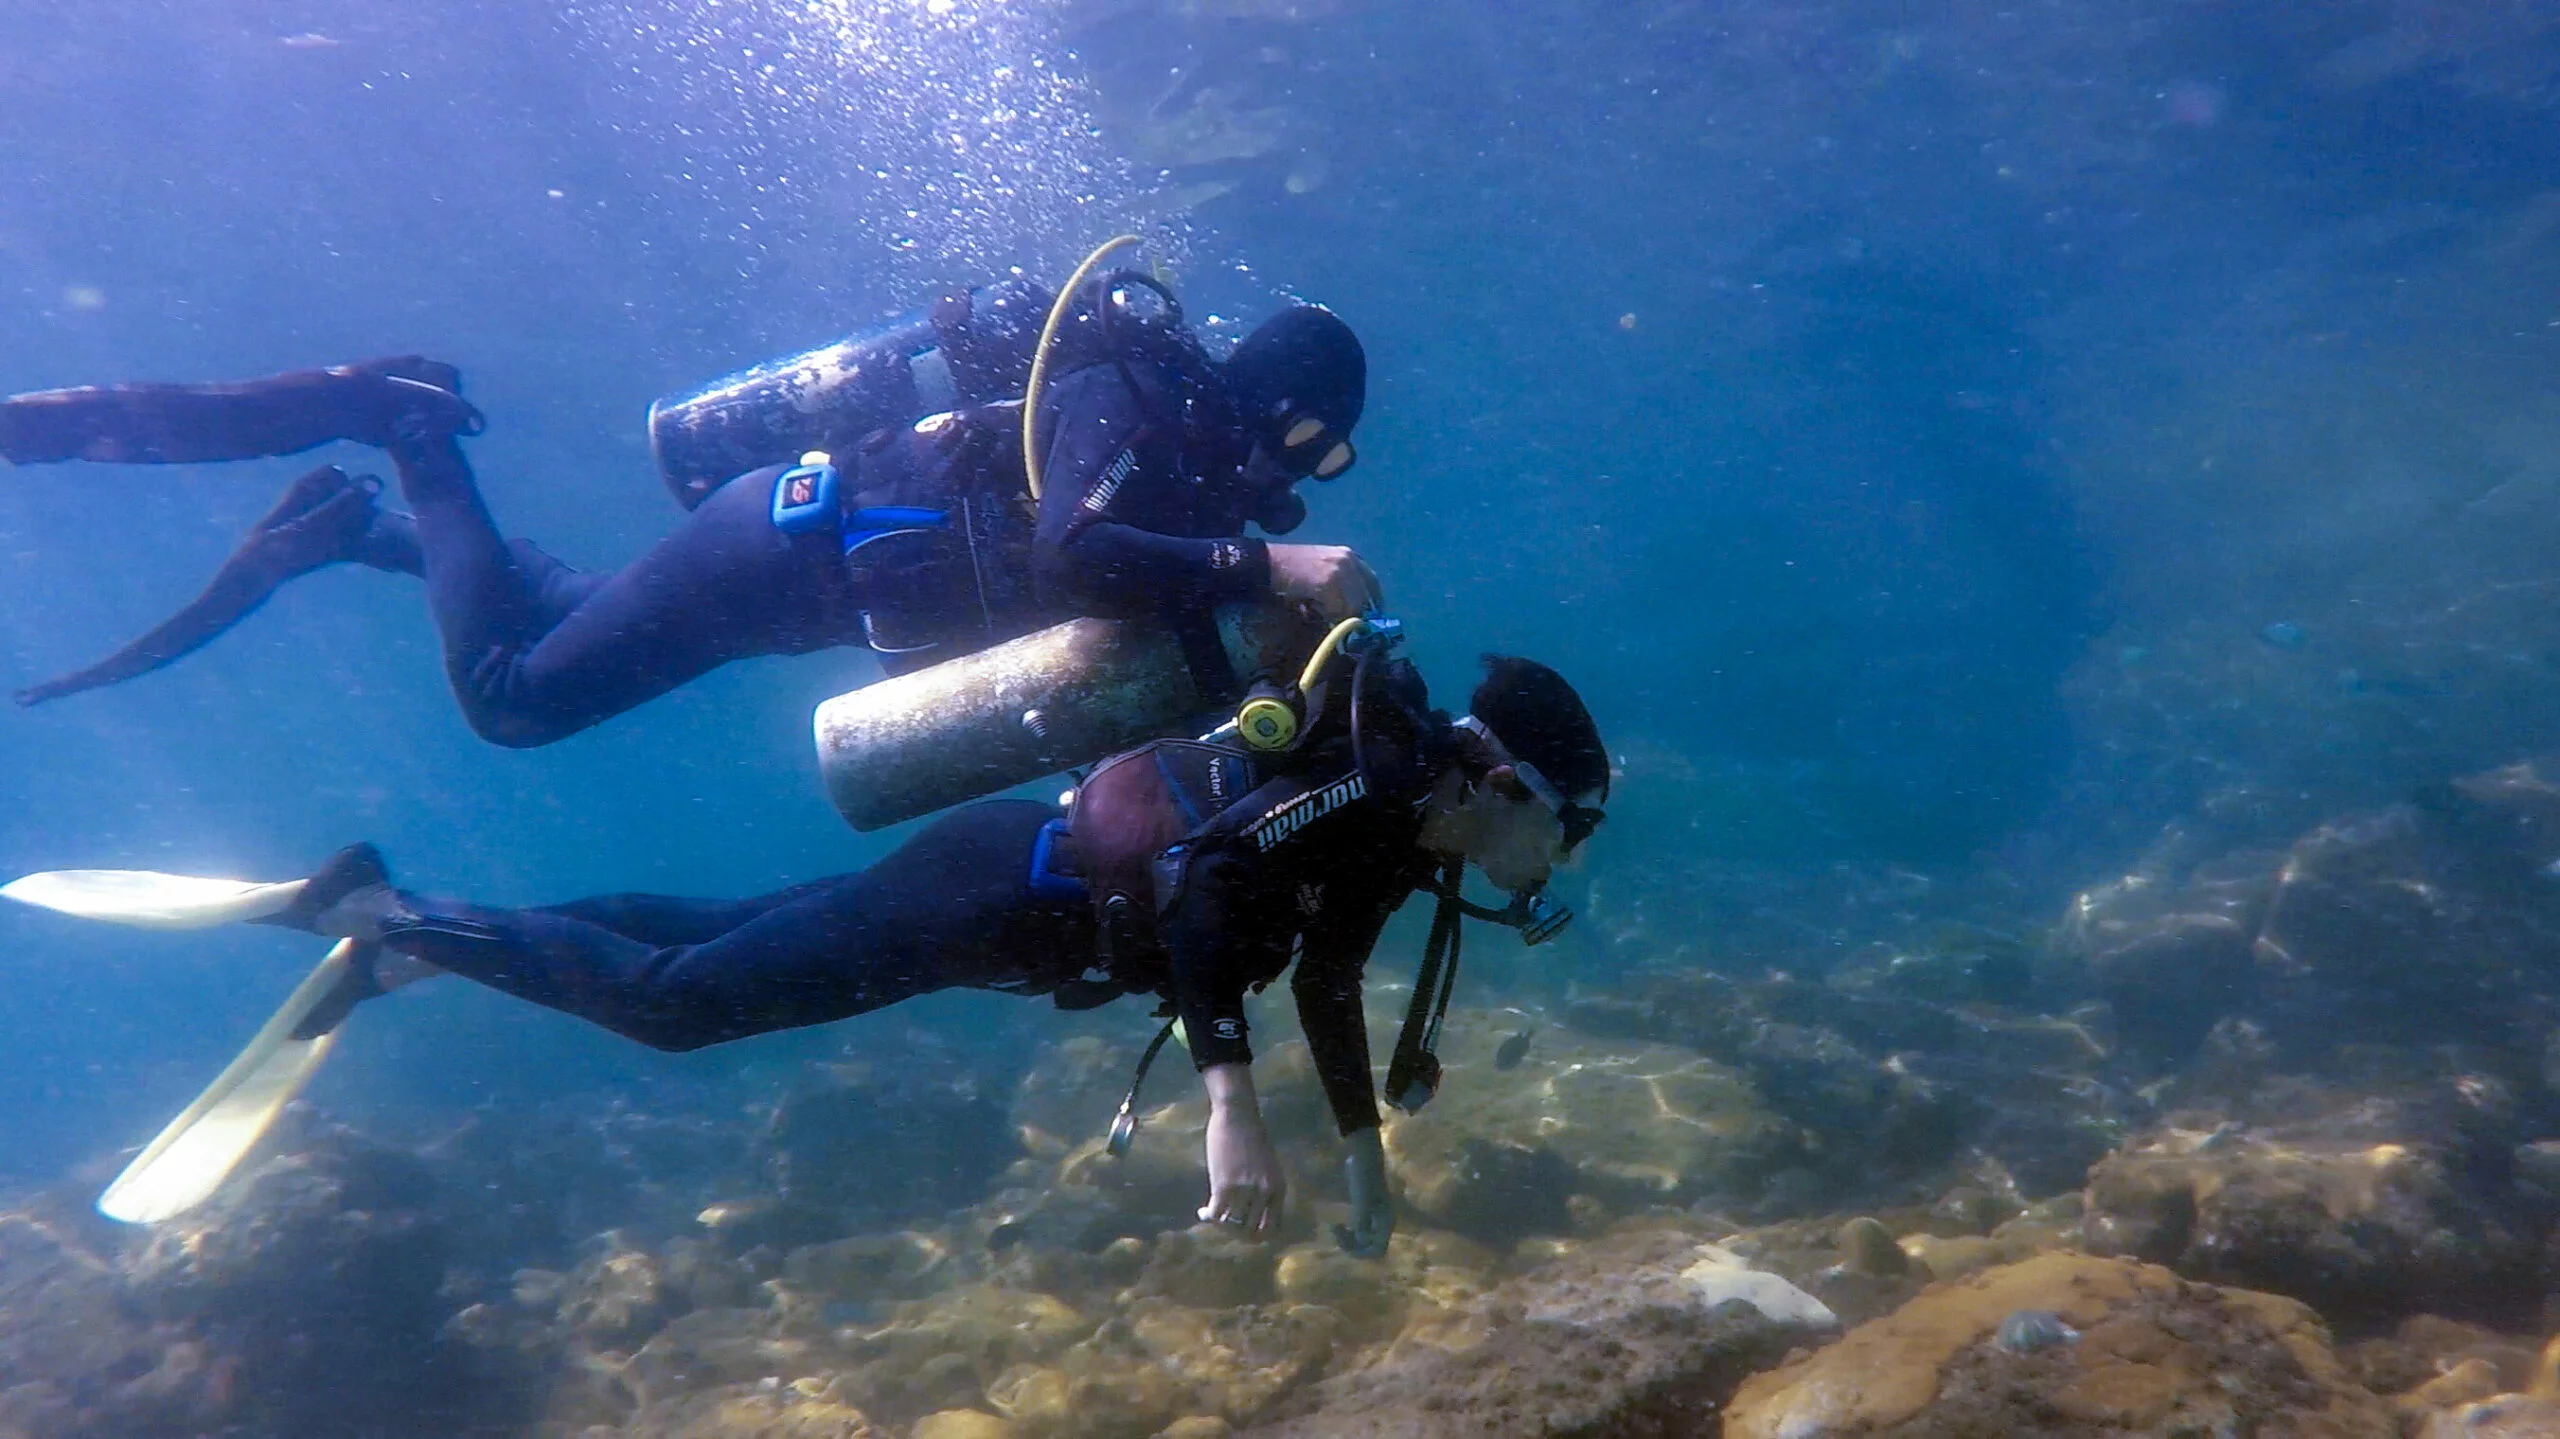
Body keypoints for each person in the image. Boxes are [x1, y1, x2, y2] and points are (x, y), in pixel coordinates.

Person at [251, 647, 1609, 1254]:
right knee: (680, 1006)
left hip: (1004, 896)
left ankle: (426, 945)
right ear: (1511, 789)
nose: (1559, 868)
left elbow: (1318, 979)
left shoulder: (1399, 834)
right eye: (1571, 833)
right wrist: (1231, 1112)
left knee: (724, 935)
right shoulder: (1370, 786)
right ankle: (390, 916)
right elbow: (1199, 886)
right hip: (994, 893)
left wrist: (1367, 1159)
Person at [0, 291, 1382, 748]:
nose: (1300, 470)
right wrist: (1272, 557)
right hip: (782, 545)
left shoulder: (1171, 455)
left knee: (559, 606)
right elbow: (1068, 552)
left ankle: (358, 531)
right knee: (513, 700)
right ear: (1273, 395)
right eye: (1310, 437)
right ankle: (406, 434)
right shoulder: (1123, 392)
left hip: (790, 576)